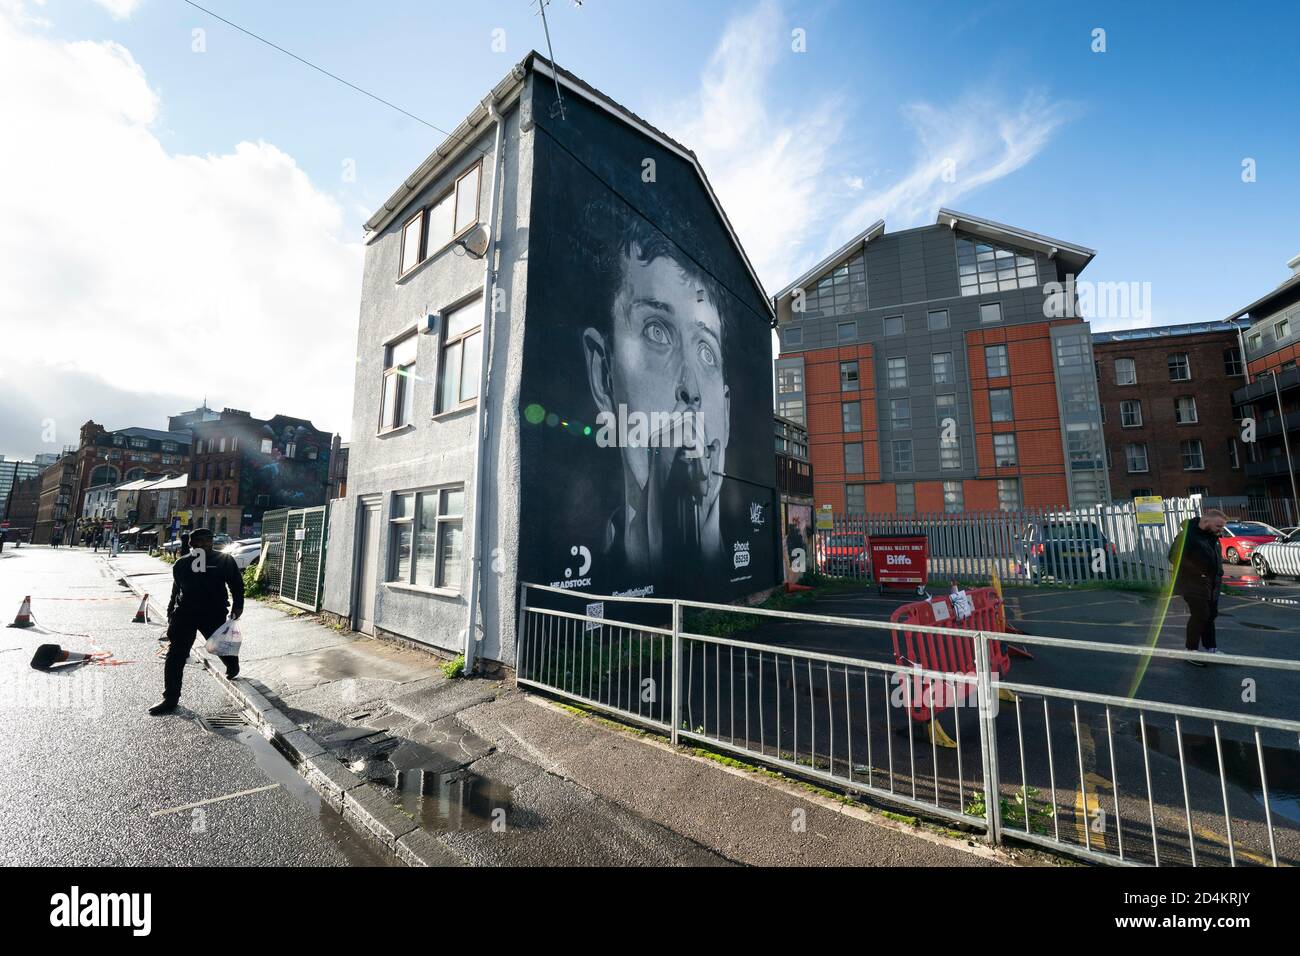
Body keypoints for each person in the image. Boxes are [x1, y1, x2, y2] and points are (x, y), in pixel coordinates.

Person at [581, 206, 732, 584]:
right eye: (657, 331)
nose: (691, 388)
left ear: (726, 417)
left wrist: (710, 551)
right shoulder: (596, 568)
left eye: (706, 350)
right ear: (603, 375)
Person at [149, 527, 243, 715]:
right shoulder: (182, 564)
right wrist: (171, 613)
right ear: (191, 544)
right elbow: (176, 590)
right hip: (185, 614)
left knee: (219, 646)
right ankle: (170, 698)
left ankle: (232, 664)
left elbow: (236, 583)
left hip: (213, 612)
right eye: (200, 541)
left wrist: (237, 606)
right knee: (175, 655)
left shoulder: (223, 560)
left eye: (208, 540)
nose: (205, 544)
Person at [1169, 508, 1228, 665]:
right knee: (1200, 615)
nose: (1220, 530)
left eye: (1222, 527)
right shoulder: (1187, 535)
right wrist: (1198, 573)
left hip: (1212, 584)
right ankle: (1191, 651)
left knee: (1210, 616)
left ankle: (1211, 650)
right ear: (1206, 521)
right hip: (1192, 583)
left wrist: (1218, 575)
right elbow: (1174, 556)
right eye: (1218, 526)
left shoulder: (1212, 536)